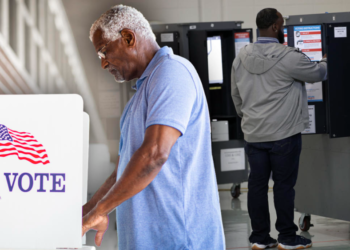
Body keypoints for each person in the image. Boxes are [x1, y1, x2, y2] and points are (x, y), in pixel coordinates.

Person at [82, 5, 225, 250]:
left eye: (104, 51)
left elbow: (154, 154)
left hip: (179, 240)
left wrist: (102, 210)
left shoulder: (172, 72)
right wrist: (87, 212)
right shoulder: (137, 100)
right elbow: (121, 173)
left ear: (128, 37)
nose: (104, 64)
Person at [231, 8, 327, 250]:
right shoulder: (289, 57)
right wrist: (327, 60)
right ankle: (287, 237)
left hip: (254, 135)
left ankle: (259, 238)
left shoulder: (240, 58)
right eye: (282, 25)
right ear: (275, 27)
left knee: (257, 186)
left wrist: (250, 118)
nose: (283, 29)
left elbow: (236, 96)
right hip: (284, 135)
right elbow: (317, 73)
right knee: (283, 186)